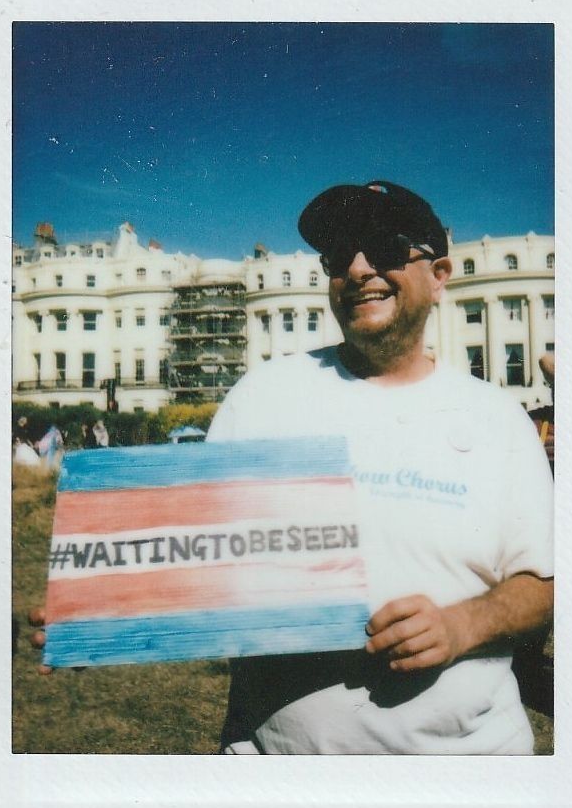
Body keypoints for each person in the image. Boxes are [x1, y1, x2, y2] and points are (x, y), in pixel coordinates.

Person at [205, 179, 553, 755]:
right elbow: (196, 553)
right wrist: (97, 611)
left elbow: (545, 582)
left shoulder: (497, 417)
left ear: (439, 276)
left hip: (466, 767)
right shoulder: (261, 396)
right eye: (341, 256)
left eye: (387, 249)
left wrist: (463, 624)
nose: (361, 268)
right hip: (278, 769)